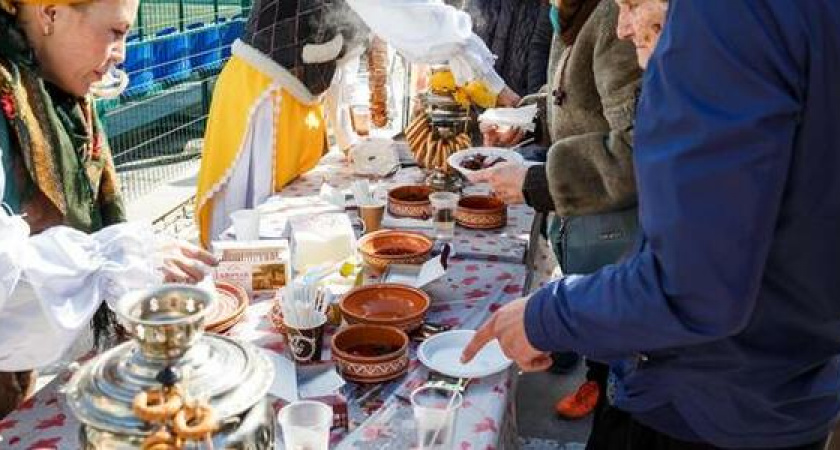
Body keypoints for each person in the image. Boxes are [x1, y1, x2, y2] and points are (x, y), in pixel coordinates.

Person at [464, 0, 840, 448]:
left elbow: (692, 288)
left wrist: (546, 315)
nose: (622, 27)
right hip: (783, 384)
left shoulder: (723, 19)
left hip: (705, 398)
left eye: (630, 3)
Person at [0, 0, 216, 417]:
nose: (122, 54)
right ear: (50, 13)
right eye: (116, 33)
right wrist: (112, 256)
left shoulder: (55, 94)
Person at [196, 0, 521, 247]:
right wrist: (495, 85)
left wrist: (347, 140)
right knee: (249, 230)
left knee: (286, 231)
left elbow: (338, 65)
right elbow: (418, 20)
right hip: (261, 97)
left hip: (296, 105)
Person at [471, 0, 642, 420]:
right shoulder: (570, 11)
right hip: (590, 228)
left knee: (625, 360)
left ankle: (609, 392)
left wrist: (540, 182)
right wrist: (525, 120)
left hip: (618, 231)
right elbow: (574, 99)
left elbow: (639, 150)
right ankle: (600, 382)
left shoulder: (615, 19)